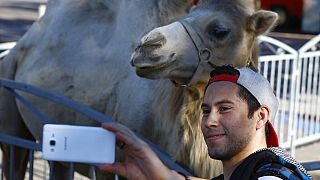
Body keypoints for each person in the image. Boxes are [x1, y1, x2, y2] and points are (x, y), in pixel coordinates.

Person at [99, 66, 312, 180]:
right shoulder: (246, 172)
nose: (209, 121)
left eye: (225, 109)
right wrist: (159, 173)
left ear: (261, 116)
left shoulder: (273, 175)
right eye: (206, 110)